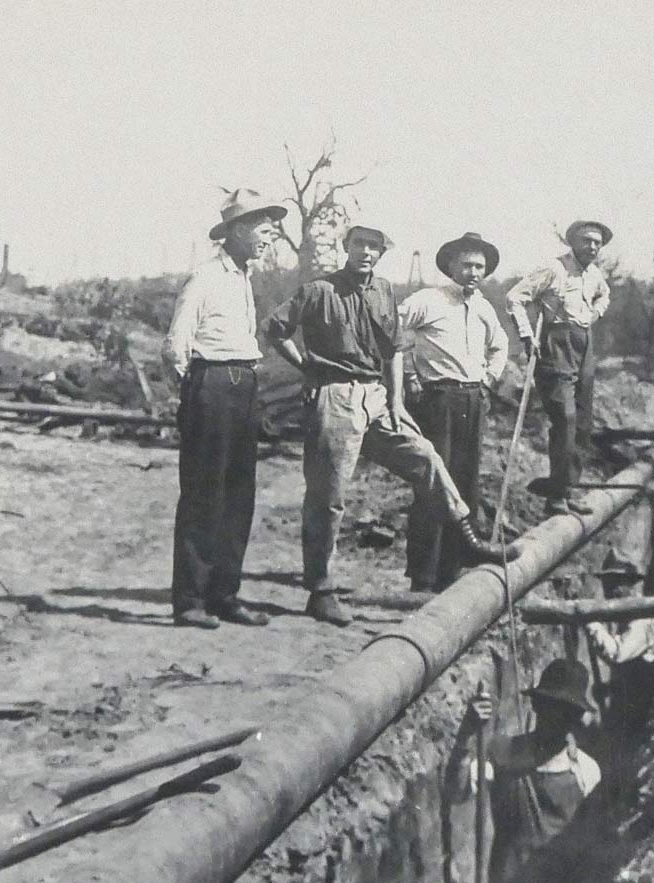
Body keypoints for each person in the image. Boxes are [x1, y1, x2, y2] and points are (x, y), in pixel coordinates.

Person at [263, 225, 520, 627]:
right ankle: (321, 588)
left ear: (380, 254)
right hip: (336, 396)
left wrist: (397, 399)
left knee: (426, 458)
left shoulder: (383, 290)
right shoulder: (319, 290)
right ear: (345, 247)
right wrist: (306, 366)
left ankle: (467, 538)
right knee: (329, 494)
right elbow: (275, 329)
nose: (366, 252)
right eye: (359, 245)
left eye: (374, 247)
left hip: (377, 397)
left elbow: (395, 348)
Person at [162, 189, 282, 629]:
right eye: (261, 228)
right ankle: (190, 600)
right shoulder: (206, 277)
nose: (268, 236)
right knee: (203, 494)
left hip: (244, 385)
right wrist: (196, 389)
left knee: (238, 496)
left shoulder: (244, 278)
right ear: (235, 231)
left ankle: (224, 595)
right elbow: (176, 345)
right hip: (211, 384)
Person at [396, 232, 509, 592]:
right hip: (436, 399)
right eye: (467, 265)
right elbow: (393, 330)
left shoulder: (484, 307)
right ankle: (423, 575)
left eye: (479, 266)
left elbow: (500, 345)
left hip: (473, 400)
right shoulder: (428, 300)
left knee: (466, 482)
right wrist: (410, 374)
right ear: (451, 267)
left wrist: (490, 379)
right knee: (433, 485)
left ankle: (454, 568)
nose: (473, 272)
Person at [506, 220, 613, 516]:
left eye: (597, 242)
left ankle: (569, 489)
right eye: (586, 240)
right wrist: (527, 336)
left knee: (582, 421)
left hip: (584, 345)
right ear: (572, 242)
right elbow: (515, 298)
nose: (592, 246)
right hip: (556, 344)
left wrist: (595, 313)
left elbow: (605, 294)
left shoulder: (594, 274)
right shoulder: (554, 269)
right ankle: (555, 496)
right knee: (564, 417)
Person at [464, 658, 601, 882]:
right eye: (551, 708)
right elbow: (456, 791)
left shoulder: (587, 772)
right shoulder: (502, 753)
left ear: (576, 718)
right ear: (537, 706)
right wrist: (466, 733)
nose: (557, 720)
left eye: (567, 713)